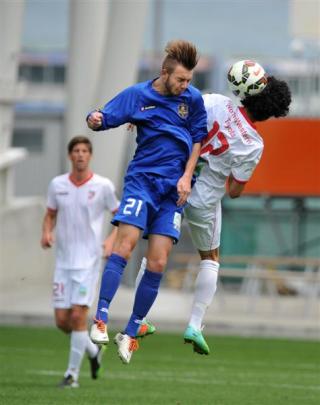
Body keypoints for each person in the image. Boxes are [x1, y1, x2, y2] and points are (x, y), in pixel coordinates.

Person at [135, 74, 292, 355]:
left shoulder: (217, 102)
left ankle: (139, 319)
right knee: (211, 258)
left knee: (157, 252)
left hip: (175, 183)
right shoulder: (254, 144)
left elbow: (181, 117)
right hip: (204, 201)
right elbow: (233, 191)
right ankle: (195, 325)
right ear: (271, 114)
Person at [86, 39, 208, 364]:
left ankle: (130, 331)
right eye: (181, 80)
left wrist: (186, 177)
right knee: (123, 248)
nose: (186, 86)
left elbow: (198, 139)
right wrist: (95, 119)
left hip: (174, 192)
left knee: (157, 263)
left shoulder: (192, 100)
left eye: (189, 81)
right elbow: (103, 115)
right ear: (164, 73)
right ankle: (100, 318)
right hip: (142, 184)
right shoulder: (138, 95)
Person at [41, 136, 119, 387]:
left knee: (77, 316)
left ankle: (71, 376)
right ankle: (93, 352)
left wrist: (111, 240)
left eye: (85, 150)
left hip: (89, 261)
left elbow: (120, 216)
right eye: (76, 150)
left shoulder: (103, 185)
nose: (80, 155)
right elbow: (50, 214)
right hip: (63, 261)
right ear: (70, 155)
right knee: (62, 321)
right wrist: (46, 232)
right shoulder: (57, 184)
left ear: (90, 155)